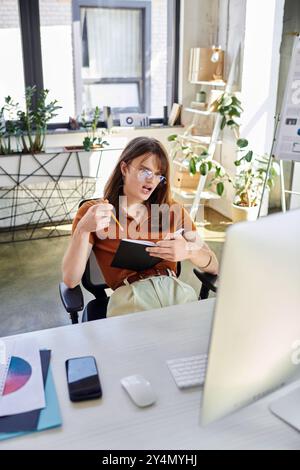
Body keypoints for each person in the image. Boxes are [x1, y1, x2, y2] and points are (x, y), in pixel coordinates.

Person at [62, 136, 218, 317]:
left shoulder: (172, 210)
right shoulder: (95, 212)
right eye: (145, 171)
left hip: (176, 294)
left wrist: (190, 251)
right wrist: (83, 229)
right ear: (124, 168)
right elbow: (70, 280)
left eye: (158, 174)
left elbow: (213, 265)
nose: (152, 181)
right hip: (130, 299)